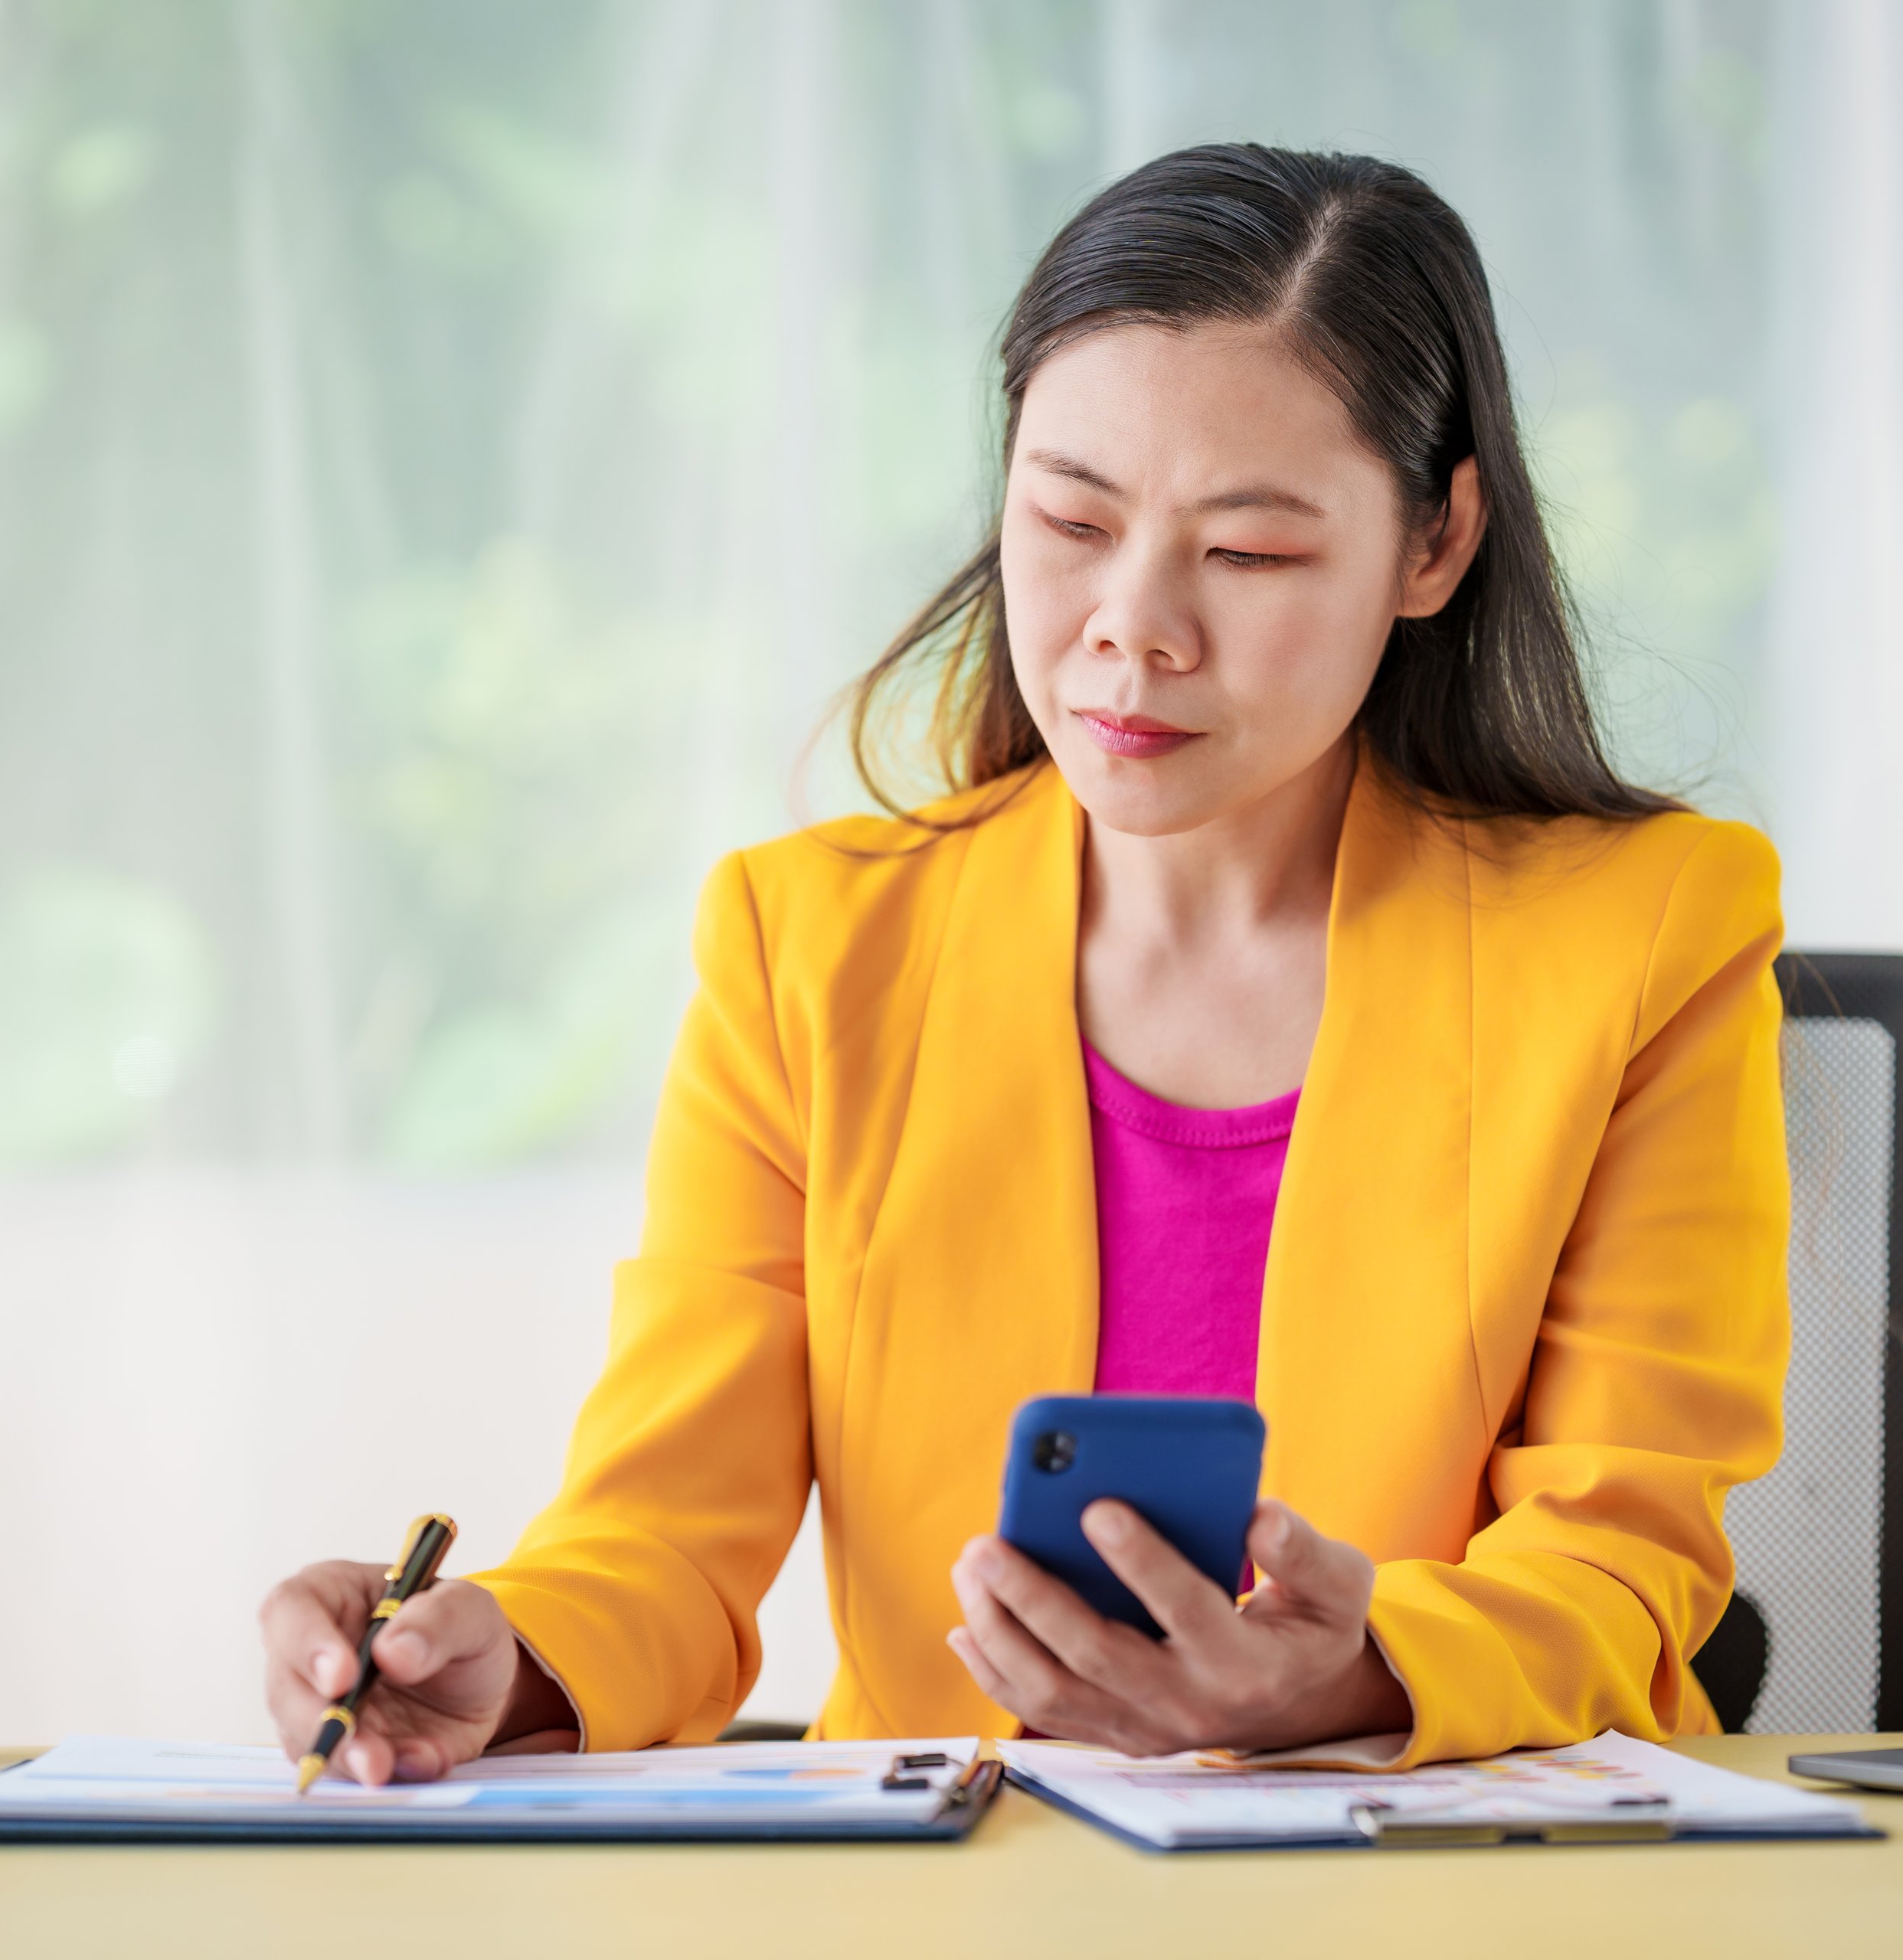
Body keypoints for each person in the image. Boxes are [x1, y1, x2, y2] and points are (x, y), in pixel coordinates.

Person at [260, 142, 1789, 1779]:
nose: (1134, 625)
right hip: (952, 1894)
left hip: (1441, 1876)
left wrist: (1351, 1681)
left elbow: (1623, 1558)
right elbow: (665, 1537)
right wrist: (508, 1654)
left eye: (1251, 552)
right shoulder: (811, 949)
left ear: (1434, 545)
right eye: (1072, 517)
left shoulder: (1645, 933)